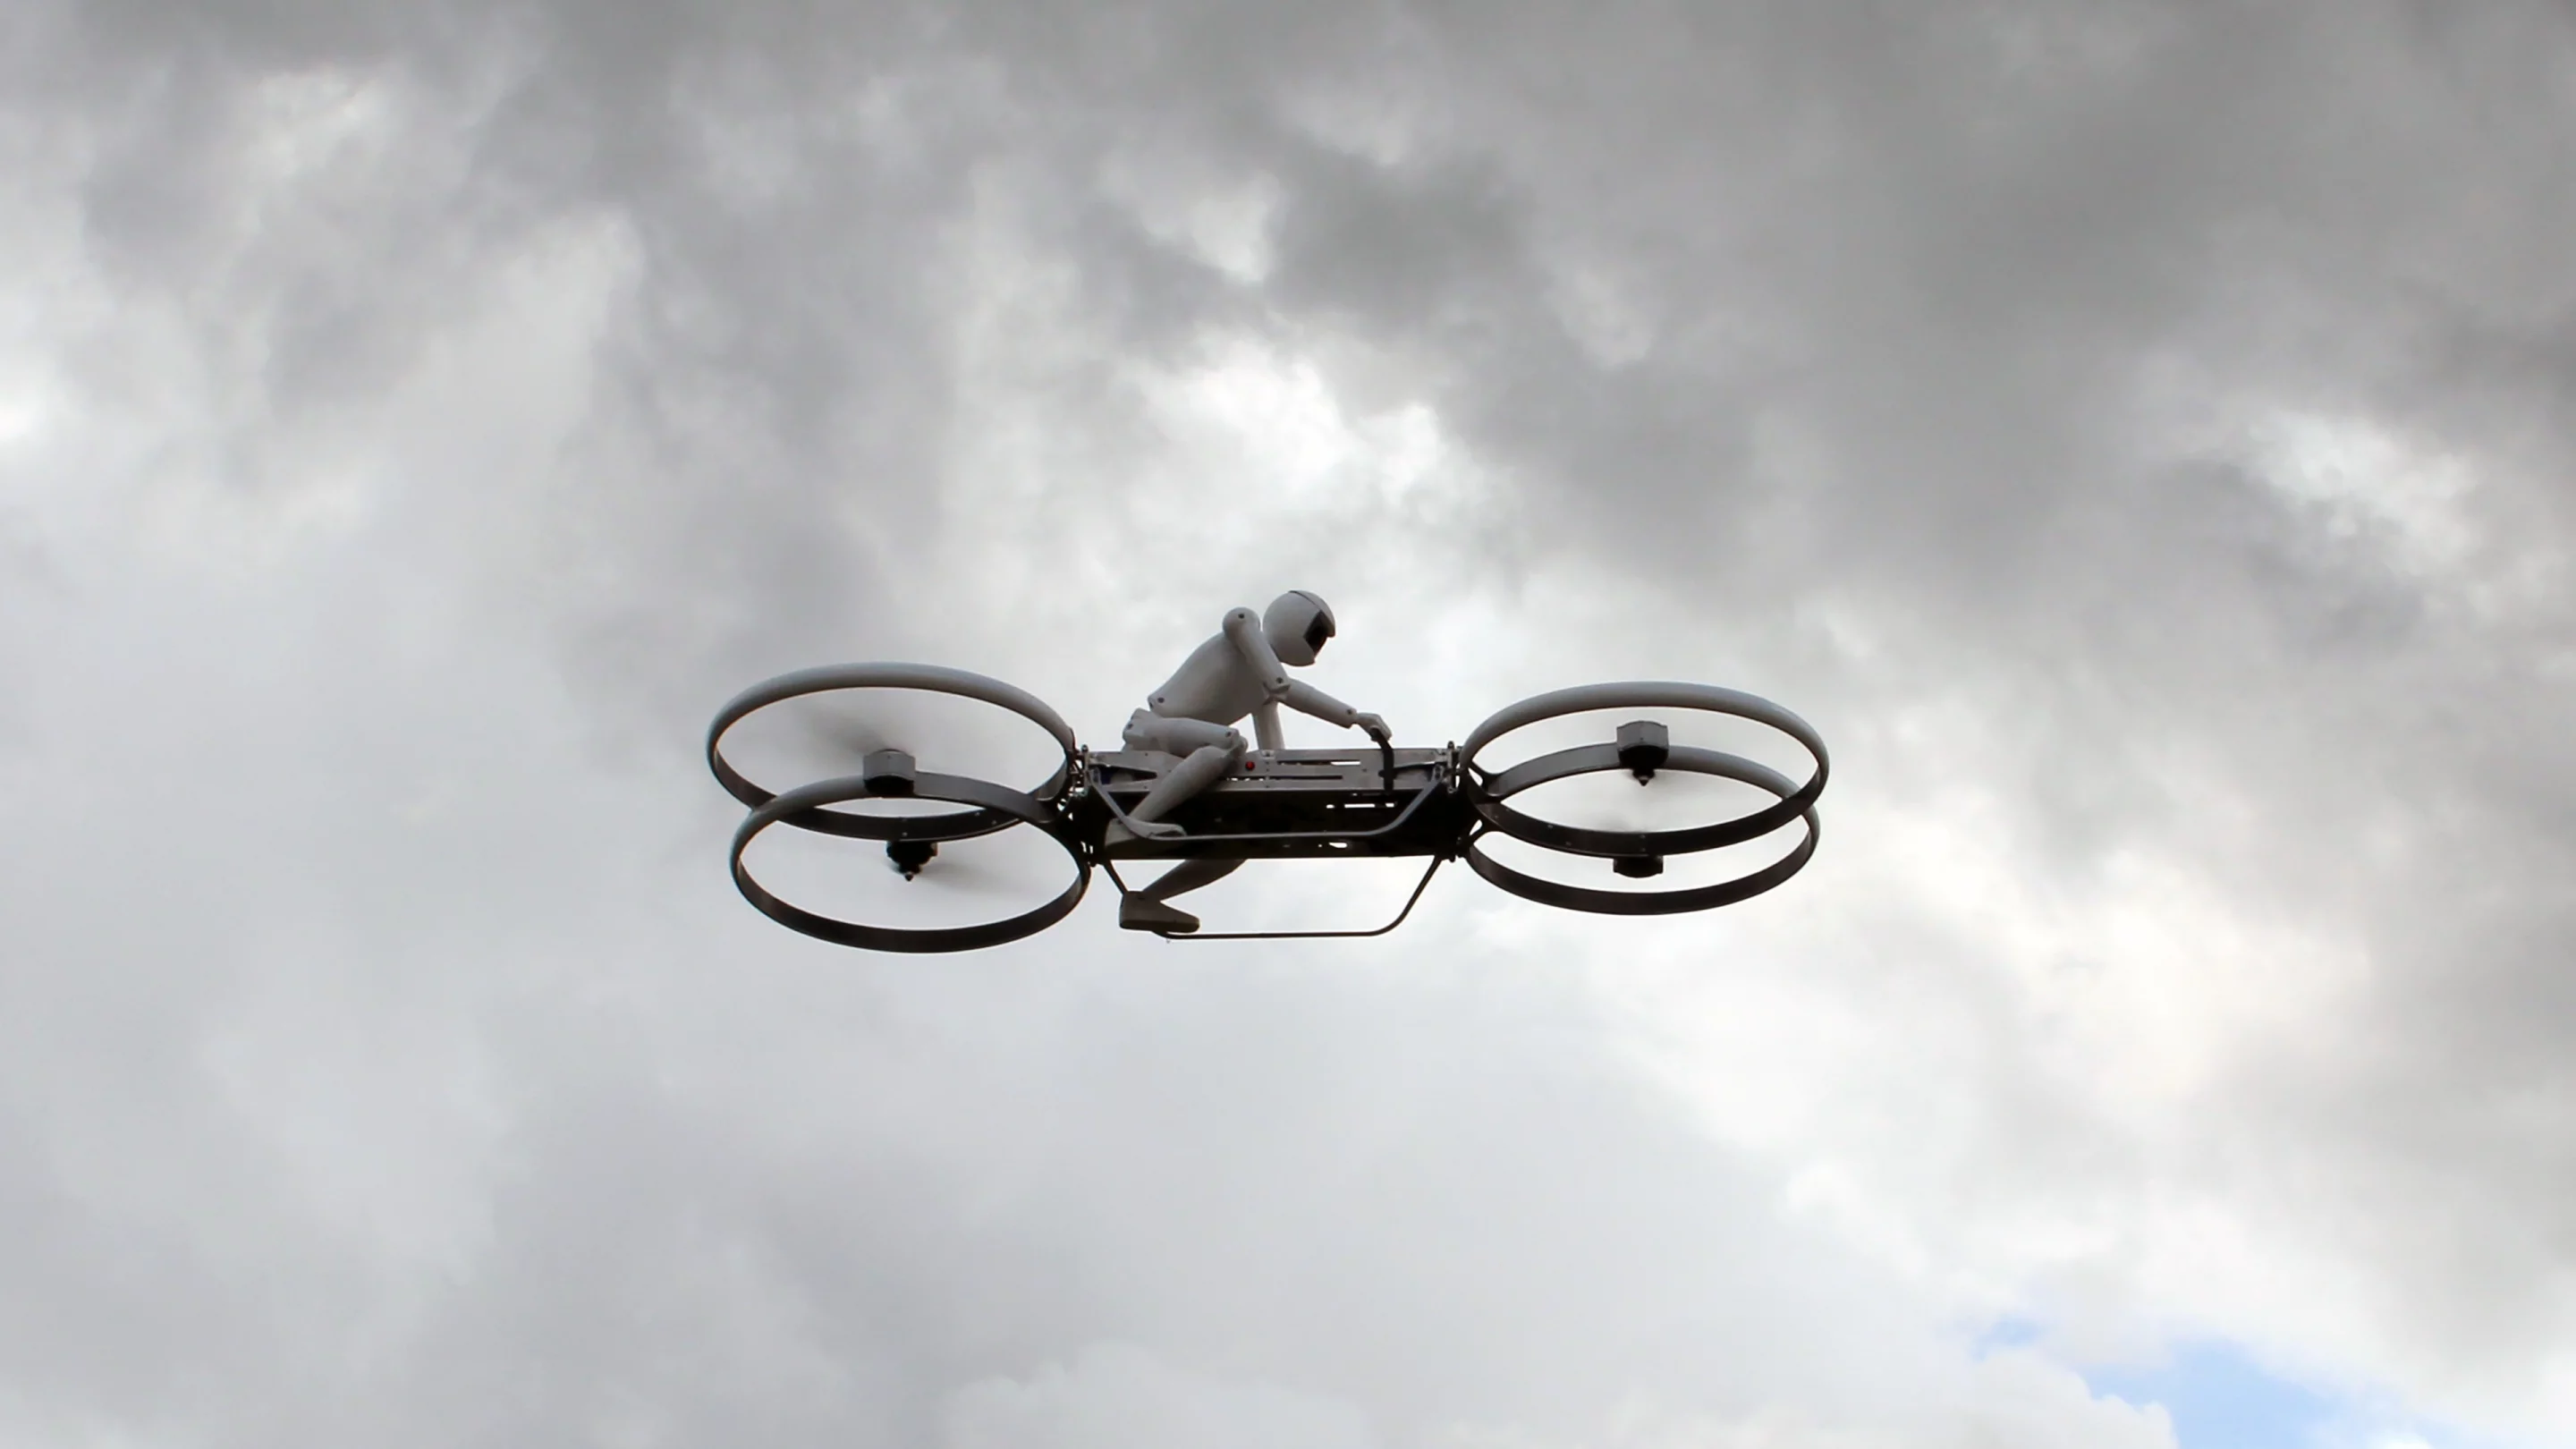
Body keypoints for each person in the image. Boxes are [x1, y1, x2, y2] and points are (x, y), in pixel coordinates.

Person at [1110, 589, 1388, 933]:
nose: (1314, 645)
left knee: (1238, 845)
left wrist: (1305, 781)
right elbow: (1283, 685)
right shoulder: (1242, 624)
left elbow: (1275, 759)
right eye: (1314, 634)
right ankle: (1129, 824)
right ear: (1295, 617)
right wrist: (1354, 717)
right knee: (1229, 743)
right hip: (1151, 734)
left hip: (1184, 759)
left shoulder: (1263, 688)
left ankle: (1145, 901)